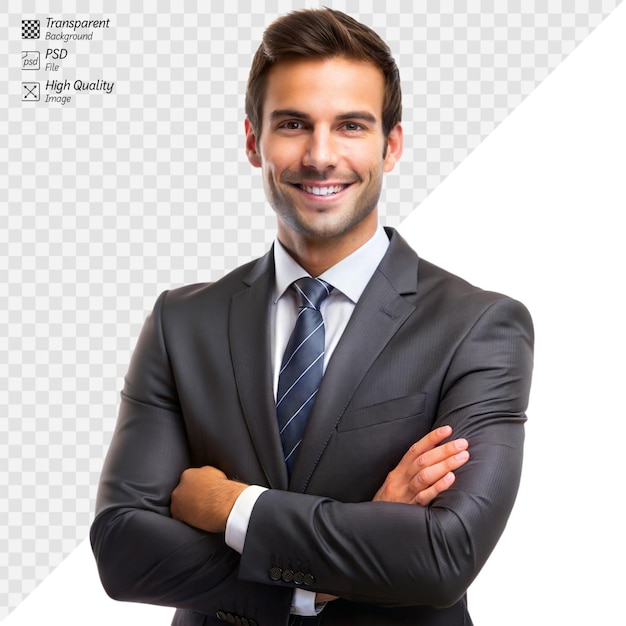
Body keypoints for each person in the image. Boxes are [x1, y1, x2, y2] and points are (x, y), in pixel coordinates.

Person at [90, 8, 533, 626]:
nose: (320, 155)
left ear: (392, 144)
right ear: (253, 141)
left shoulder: (478, 327)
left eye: (350, 125)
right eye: (293, 124)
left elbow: (443, 555)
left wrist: (233, 507)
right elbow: (123, 549)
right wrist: (316, 582)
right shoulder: (181, 321)